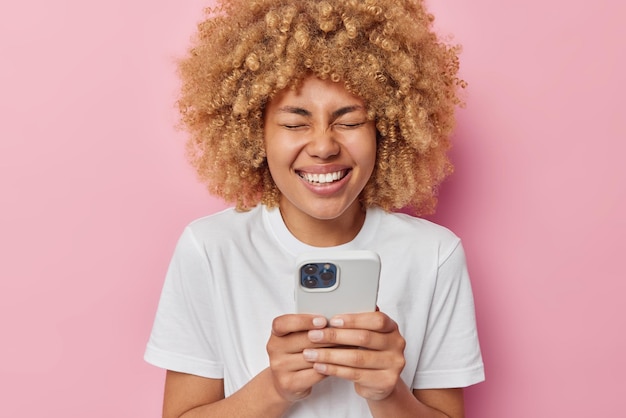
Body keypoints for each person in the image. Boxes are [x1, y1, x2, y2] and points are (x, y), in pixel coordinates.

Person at [144, 0, 485, 417]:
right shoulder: (211, 248)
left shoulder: (434, 255)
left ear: (386, 130)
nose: (323, 146)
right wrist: (275, 388)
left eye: (350, 120)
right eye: (294, 123)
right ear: (255, 133)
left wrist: (387, 394)